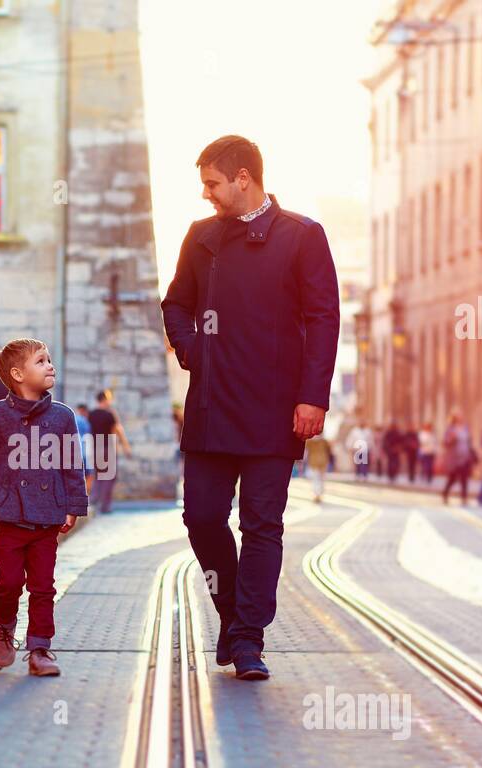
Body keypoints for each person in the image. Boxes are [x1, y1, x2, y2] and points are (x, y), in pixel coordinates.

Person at [161, 134, 339, 681]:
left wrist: (313, 396)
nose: (207, 195)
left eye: (213, 184)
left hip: (275, 409)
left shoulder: (303, 237)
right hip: (212, 408)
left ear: (243, 178)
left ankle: (248, 638)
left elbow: (323, 318)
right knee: (202, 518)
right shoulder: (201, 237)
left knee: (263, 525)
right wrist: (194, 351)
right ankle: (234, 613)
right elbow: (176, 304)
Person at [0, 338, 88, 677]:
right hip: (7, 517)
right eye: (41, 361)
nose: (50, 365)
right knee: (8, 582)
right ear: (18, 374)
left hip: (46, 517)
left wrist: (73, 506)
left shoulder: (63, 417)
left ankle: (39, 648)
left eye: (50, 359)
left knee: (43, 585)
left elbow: (71, 466)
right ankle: (5, 626)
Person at [87, 388, 133, 514]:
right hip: (108, 447)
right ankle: (105, 506)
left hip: (96, 447)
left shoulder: (92, 414)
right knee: (109, 477)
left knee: (99, 476)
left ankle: (94, 501)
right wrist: (126, 447)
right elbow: (118, 431)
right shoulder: (110, 413)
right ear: (105, 399)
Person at [440, 409, 474, 505]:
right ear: (454, 418)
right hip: (454, 458)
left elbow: (469, 441)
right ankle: (445, 493)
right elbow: (445, 443)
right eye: (458, 416)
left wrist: (470, 451)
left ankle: (464, 498)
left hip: (465, 456)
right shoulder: (450, 428)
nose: (460, 417)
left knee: (464, 478)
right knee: (453, 478)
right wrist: (451, 439)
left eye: (461, 415)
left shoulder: (465, 428)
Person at [74, 403, 95, 495]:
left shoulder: (72, 419)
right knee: (89, 475)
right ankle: (86, 497)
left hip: (74, 452)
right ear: (84, 411)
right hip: (85, 451)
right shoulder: (84, 421)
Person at [304, 433, 331, 503]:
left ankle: (317, 495)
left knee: (316, 479)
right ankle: (318, 494)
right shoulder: (324, 441)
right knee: (320, 479)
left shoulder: (310, 441)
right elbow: (329, 450)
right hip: (322, 461)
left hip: (314, 461)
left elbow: (306, 451)